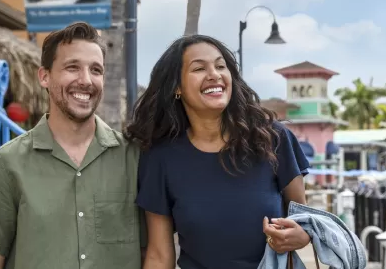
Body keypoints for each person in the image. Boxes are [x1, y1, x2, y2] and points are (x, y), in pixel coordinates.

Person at [0, 22, 145, 269]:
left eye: (96, 70)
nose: (86, 80)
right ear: (44, 76)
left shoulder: (135, 159)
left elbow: (153, 253)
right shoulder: (7, 163)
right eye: (72, 67)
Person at [125, 34, 312, 269]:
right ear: (177, 88)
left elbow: (305, 220)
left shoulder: (273, 139)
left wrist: (302, 236)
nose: (214, 74)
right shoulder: (161, 158)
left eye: (220, 66)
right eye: (199, 68)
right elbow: (159, 256)